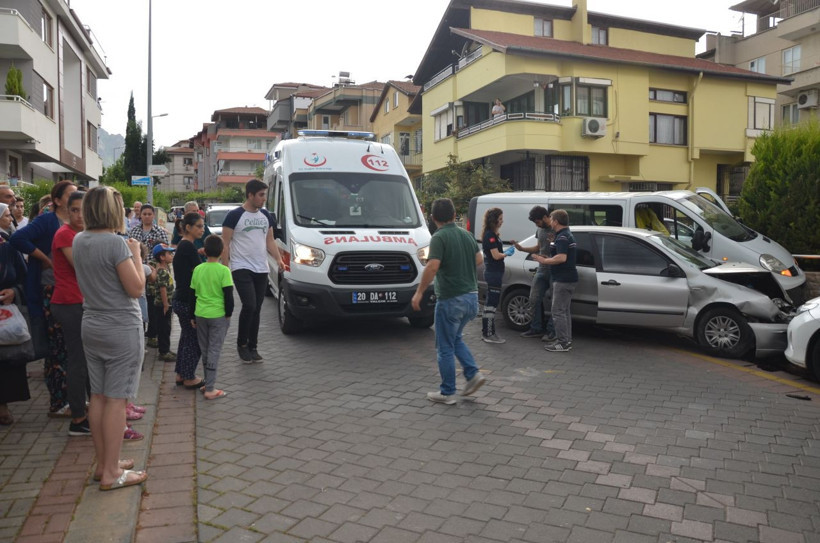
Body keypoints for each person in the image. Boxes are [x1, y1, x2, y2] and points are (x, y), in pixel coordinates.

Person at [72, 185, 147, 491]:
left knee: (99, 396)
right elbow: (136, 288)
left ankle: (104, 463)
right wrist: (137, 255)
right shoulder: (116, 245)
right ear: (112, 210)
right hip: (120, 327)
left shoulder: (79, 240)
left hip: (91, 324)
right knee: (117, 399)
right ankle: (112, 472)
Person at [11, 180, 77, 417]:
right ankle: (58, 403)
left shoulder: (73, 222)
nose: (75, 199)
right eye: (70, 195)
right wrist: (43, 258)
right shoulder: (48, 220)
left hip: (70, 290)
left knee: (70, 348)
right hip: (50, 290)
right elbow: (18, 239)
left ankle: (73, 399)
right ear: (57, 200)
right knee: (57, 348)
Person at [411, 198, 486, 405]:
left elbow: (433, 266)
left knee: (444, 346)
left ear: (433, 218)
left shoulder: (439, 237)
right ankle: (473, 374)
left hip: (451, 299)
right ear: (454, 215)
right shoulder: (466, 235)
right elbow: (479, 261)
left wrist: (419, 293)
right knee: (455, 339)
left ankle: (447, 392)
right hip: (471, 298)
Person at [221, 179, 284, 363]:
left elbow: (270, 240)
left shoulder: (265, 215)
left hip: (261, 267)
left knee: (257, 308)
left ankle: (253, 346)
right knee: (249, 305)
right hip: (241, 267)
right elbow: (225, 243)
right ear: (250, 195)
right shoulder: (234, 215)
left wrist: (279, 259)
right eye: (261, 195)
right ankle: (241, 344)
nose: (264, 199)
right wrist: (225, 268)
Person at [50, 191, 93, 435]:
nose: (78, 215)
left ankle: (88, 408)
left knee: (86, 360)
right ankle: (77, 418)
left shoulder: (82, 233)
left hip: (80, 301)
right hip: (69, 303)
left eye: (83, 210)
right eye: (74, 210)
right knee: (78, 361)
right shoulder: (65, 234)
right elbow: (82, 266)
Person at [190, 235, 234, 400]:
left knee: (205, 349)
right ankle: (210, 388)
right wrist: (228, 314)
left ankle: (207, 383)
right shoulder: (224, 271)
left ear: (205, 251)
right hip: (218, 315)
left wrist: (191, 315)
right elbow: (228, 296)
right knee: (214, 349)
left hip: (200, 314)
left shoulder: (198, 269)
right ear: (222, 251)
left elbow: (192, 294)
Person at [533, 209, 578, 352]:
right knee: (564, 311)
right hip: (567, 278)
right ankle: (566, 341)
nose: (550, 222)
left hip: (563, 279)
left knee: (558, 311)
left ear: (556, 221)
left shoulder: (563, 237)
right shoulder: (563, 235)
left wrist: (543, 260)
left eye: (551, 219)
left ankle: (563, 343)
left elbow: (562, 257)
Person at [0, 216, 29, 425]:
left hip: (5, 312)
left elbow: (23, 276)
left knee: (5, 360)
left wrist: (14, 291)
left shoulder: (6, 245)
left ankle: (3, 405)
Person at [513, 206, 557, 342]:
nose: (537, 224)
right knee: (534, 298)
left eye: (538, 221)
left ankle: (552, 331)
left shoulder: (556, 228)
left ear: (545, 217)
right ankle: (536, 328)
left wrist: (549, 256)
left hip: (555, 268)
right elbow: (538, 247)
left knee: (556, 302)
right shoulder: (540, 229)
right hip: (542, 268)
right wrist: (522, 249)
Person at [128, 203, 169, 347]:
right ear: (140, 215)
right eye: (144, 214)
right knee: (139, 301)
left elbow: (165, 252)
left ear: (153, 215)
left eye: (149, 214)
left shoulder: (160, 231)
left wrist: (156, 267)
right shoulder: (133, 231)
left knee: (152, 303)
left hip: (153, 272)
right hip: (136, 270)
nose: (146, 216)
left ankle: (152, 334)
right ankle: (140, 331)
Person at [172, 213, 205, 388]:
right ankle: (188, 376)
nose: (202, 229)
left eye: (203, 225)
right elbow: (200, 273)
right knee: (194, 340)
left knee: (186, 337)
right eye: (199, 226)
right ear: (188, 228)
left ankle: (181, 373)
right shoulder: (187, 247)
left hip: (181, 299)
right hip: (187, 301)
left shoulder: (185, 246)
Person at [480, 208, 509, 344]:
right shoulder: (490, 236)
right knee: (491, 304)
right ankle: (488, 333)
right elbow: (496, 255)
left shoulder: (493, 234)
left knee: (491, 303)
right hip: (493, 273)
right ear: (494, 219)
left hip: (495, 272)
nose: (502, 222)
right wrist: (507, 253)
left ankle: (488, 332)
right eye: (500, 219)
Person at [151, 243, 176, 363]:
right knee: (164, 329)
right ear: (162, 257)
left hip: (166, 304)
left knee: (167, 328)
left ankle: (166, 349)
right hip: (162, 305)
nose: (172, 255)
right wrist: (166, 304)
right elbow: (162, 289)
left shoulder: (166, 268)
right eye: (169, 253)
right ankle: (164, 352)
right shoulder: (161, 271)